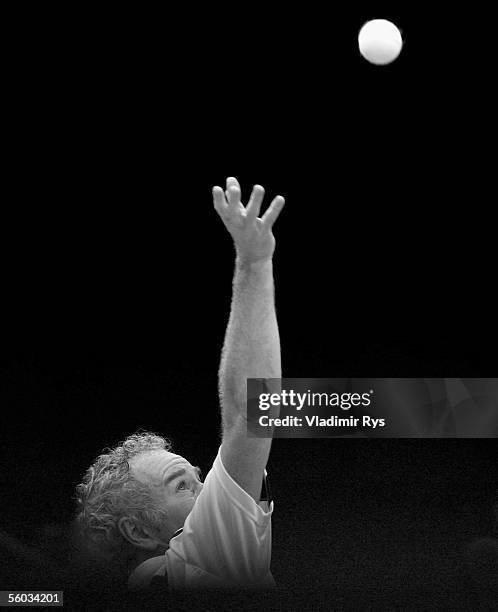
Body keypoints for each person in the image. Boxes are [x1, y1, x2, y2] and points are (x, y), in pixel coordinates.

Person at [73, 177, 285, 591]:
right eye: (182, 486)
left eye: (197, 476)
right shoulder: (202, 558)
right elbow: (250, 410)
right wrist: (254, 261)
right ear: (138, 531)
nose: (208, 490)